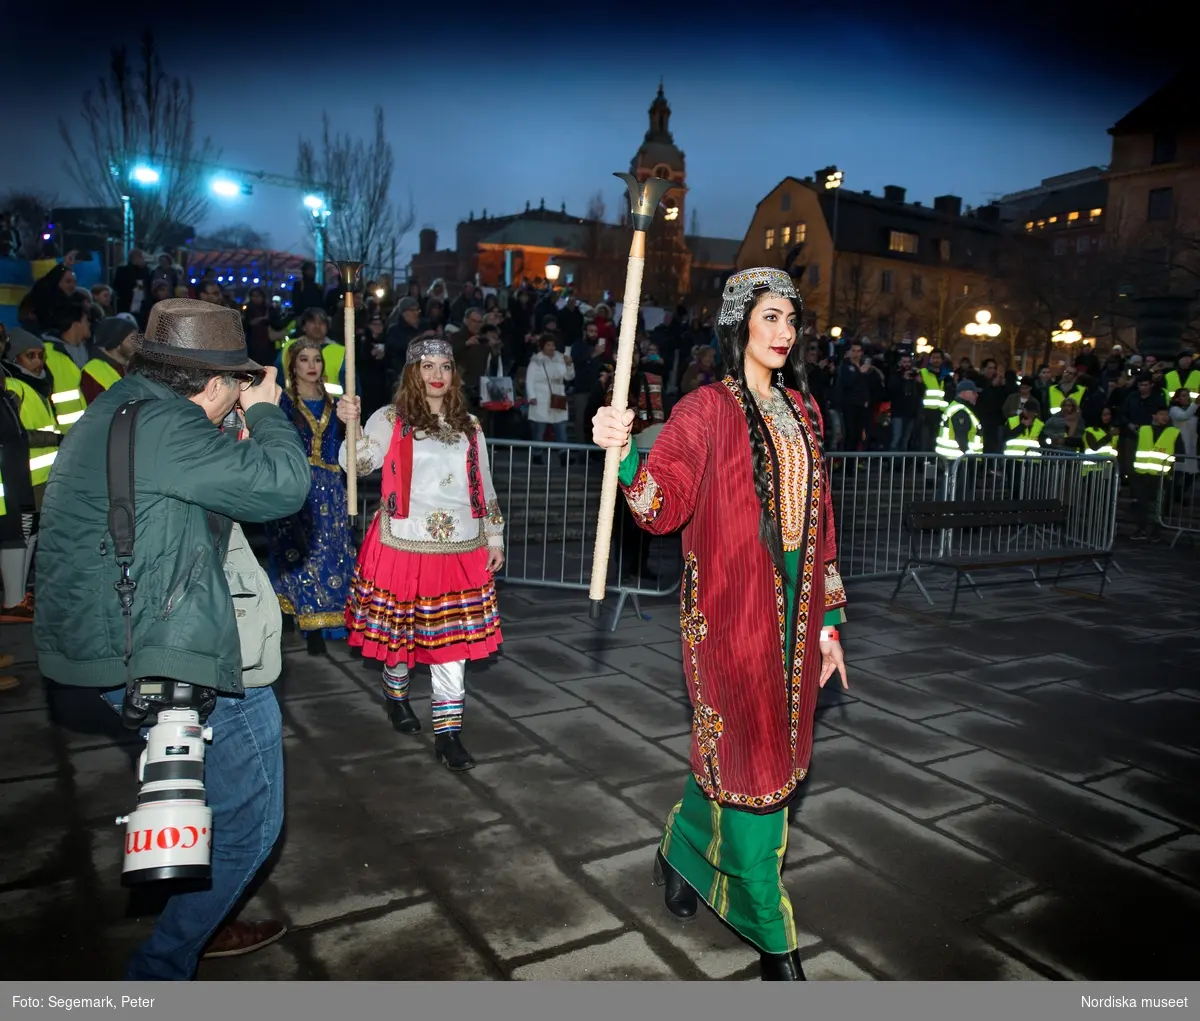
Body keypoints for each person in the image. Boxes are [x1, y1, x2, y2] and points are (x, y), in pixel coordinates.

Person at [32, 298, 311, 980]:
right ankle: (162, 966)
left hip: (106, 634)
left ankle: (199, 916)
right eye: (236, 386)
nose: (240, 396)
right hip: (164, 646)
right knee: (251, 821)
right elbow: (283, 485)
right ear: (213, 385)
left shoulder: (126, 405)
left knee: (195, 799)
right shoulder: (169, 426)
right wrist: (270, 412)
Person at [591, 267, 848, 981]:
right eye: (770, 318)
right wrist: (623, 451)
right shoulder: (703, 409)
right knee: (756, 769)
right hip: (729, 619)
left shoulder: (807, 410)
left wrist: (828, 627)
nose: (784, 333)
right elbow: (661, 505)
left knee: (738, 760)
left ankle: (679, 849)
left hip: (796, 622)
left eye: (791, 320)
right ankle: (775, 938)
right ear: (739, 325)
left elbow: (821, 525)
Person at [335, 335, 505, 772]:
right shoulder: (389, 418)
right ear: (413, 372)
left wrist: (495, 537)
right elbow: (357, 464)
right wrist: (350, 426)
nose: (436, 376)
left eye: (444, 367)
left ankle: (448, 734)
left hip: (461, 548)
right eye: (427, 367)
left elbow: (483, 483)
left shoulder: (469, 424)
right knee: (400, 638)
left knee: (453, 646)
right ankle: (396, 696)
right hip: (403, 542)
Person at [263, 337, 358, 656]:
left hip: (331, 485)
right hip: (298, 484)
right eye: (304, 359)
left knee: (334, 552)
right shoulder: (284, 401)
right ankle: (306, 620)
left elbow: (350, 440)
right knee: (301, 551)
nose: (312, 366)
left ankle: (332, 619)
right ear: (292, 364)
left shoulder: (335, 400)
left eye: (317, 359)